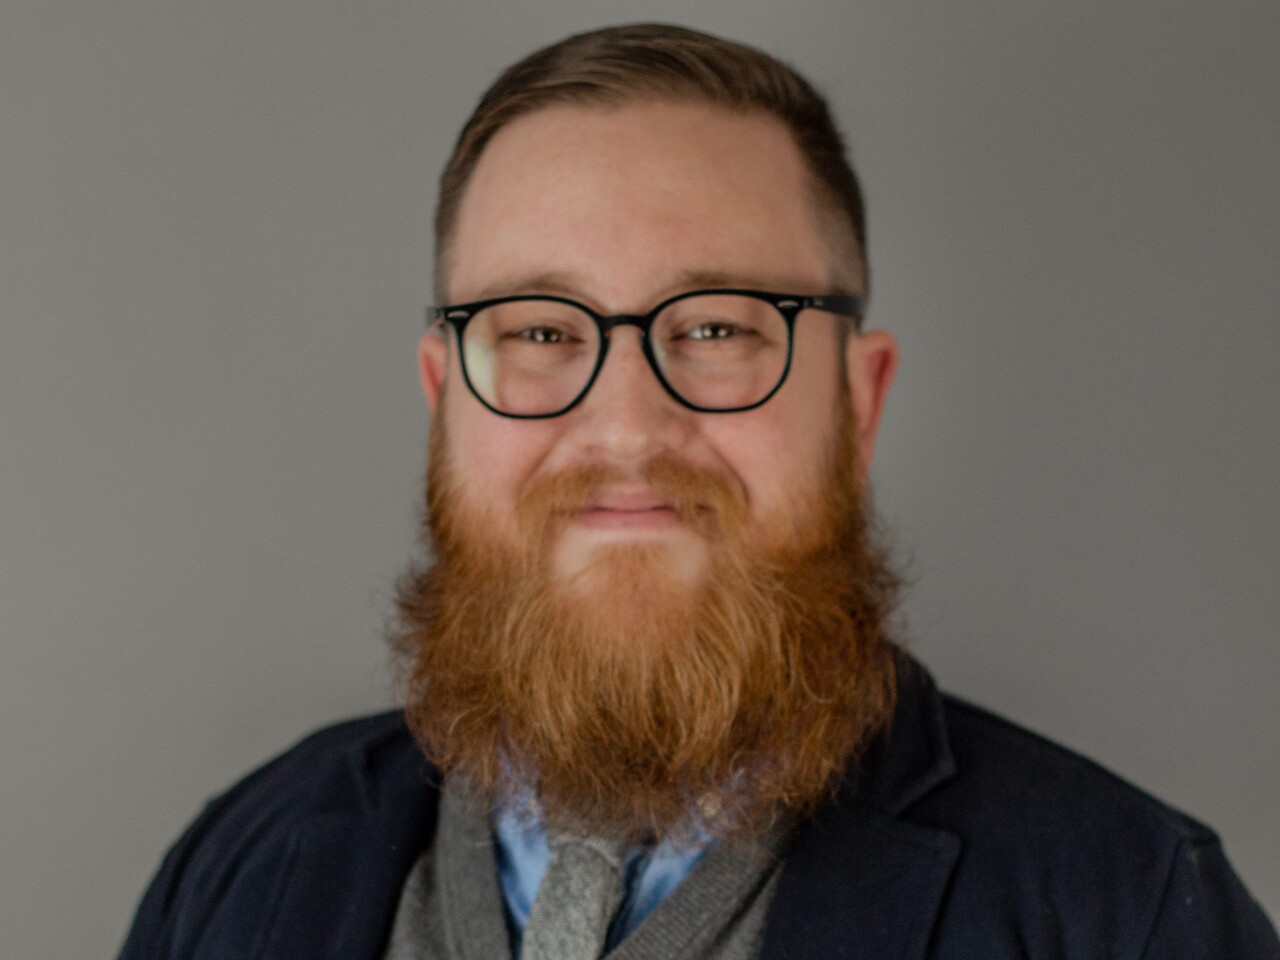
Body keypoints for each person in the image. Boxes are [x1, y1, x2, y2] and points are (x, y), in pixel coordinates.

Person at [118, 23, 1278, 960]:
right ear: (443, 396)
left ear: (856, 402)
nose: (624, 427)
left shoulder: (1121, 911)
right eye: (536, 330)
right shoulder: (245, 859)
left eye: (719, 326)